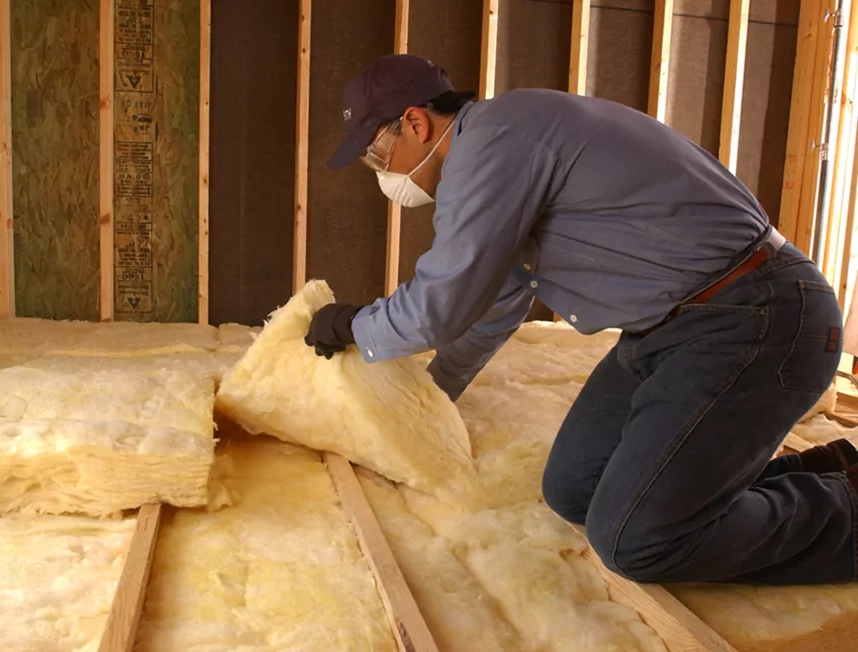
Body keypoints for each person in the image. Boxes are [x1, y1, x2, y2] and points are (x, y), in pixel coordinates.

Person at [303, 53, 858, 586]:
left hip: (757, 316)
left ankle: (846, 513)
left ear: (416, 123)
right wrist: (427, 402)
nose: (381, 174)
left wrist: (351, 324)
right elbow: (493, 308)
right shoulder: (504, 143)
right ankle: (829, 470)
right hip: (673, 327)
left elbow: (436, 309)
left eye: (377, 155)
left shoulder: (493, 145)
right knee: (576, 490)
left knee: (634, 540)